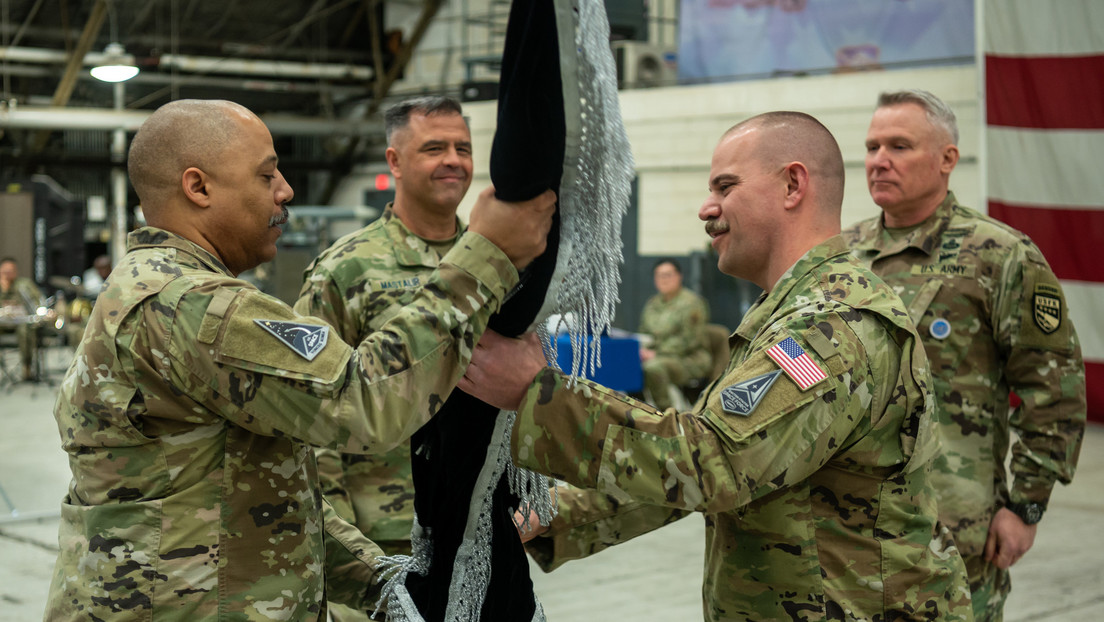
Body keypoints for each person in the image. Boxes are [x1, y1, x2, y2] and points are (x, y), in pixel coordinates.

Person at [45, 98, 555, 621]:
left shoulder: (156, 288)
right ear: (198, 188)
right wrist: (485, 256)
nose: (285, 190)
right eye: (267, 175)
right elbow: (363, 401)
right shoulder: (191, 305)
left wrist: (381, 581)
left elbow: (262, 494)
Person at [459, 111, 974, 621]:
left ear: (793, 185)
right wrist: (550, 517)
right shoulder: (787, 313)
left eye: (725, 187)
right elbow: (707, 470)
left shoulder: (832, 326)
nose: (707, 208)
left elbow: (715, 463)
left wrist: (540, 394)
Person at [841, 89, 1086, 621]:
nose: (879, 159)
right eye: (872, 146)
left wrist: (1026, 505)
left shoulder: (998, 254)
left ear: (947, 158)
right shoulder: (843, 255)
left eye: (900, 146)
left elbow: (1056, 391)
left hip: (952, 533)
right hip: (846, 531)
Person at [295, 96, 473, 621]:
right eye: (434, 147)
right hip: (383, 535)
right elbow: (310, 414)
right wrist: (343, 543)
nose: (454, 160)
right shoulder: (346, 270)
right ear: (394, 161)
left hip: (479, 522)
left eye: (463, 148)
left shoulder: (494, 266)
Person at [638, 258, 711, 410]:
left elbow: (690, 341)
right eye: (659, 276)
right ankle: (639, 411)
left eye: (668, 275)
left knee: (653, 368)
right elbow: (644, 333)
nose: (663, 280)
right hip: (660, 356)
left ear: (679, 276)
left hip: (690, 359)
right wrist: (642, 349)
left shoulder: (691, 303)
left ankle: (667, 416)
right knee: (627, 365)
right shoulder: (652, 304)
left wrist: (656, 353)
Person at [0, 256, 45, 380]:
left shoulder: (24, 284)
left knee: (26, 330)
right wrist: (4, 290)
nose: (8, 274)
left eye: (11, 271)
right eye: (5, 271)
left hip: (20, 321)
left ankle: (27, 366)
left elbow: (37, 301)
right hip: (2, 323)